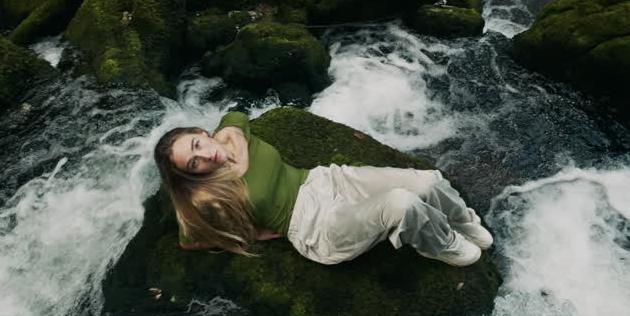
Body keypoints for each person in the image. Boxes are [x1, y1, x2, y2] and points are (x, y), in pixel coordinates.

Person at [153, 111, 493, 266]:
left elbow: (236, 114)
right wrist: (256, 233)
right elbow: (189, 237)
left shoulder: (232, 134)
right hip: (315, 225)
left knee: (428, 180)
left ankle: (462, 220)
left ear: (202, 131)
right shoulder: (206, 193)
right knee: (400, 204)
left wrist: (234, 137)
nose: (204, 155)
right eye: (193, 163)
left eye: (197, 143)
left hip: (327, 179)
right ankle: (442, 245)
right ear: (192, 175)